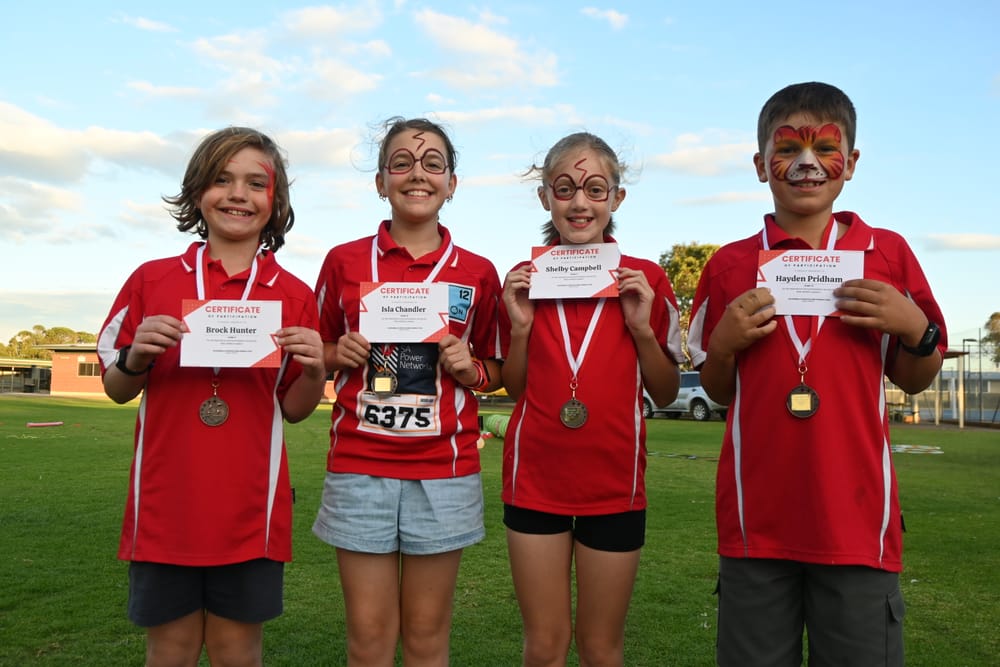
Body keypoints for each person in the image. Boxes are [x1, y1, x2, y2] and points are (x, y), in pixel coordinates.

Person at [687, 82, 947, 666]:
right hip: (757, 523)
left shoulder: (888, 253)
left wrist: (916, 328)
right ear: (761, 165)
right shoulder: (729, 264)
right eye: (788, 149)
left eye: (824, 147)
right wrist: (723, 346)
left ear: (850, 163)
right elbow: (719, 389)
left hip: (857, 523)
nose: (807, 163)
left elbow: (916, 378)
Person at [97, 127, 327, 666]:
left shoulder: (294, 295)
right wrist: (136, 357)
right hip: (166, 507)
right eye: (222, 179)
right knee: (170, 650)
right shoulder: (151, 280)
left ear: (275, 201)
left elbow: (294, 409)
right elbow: (115, 388)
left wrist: (316, 369)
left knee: (237, 651)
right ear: (198, 190)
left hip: (250, 511)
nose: (238, 194)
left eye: (256, 183)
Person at [312, 117, 502, 666]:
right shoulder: (343, 261)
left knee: (425, 636)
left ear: (452, 183)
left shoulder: (478, 272)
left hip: (444, 470)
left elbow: (500, 369)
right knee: (368, 638)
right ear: (380, 181)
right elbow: (316, 347)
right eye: (402, 163)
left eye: (432, 164)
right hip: (360, 465)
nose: (417, 174)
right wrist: (338, 352)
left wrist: (472, 370)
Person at [500, 132, 684, 666]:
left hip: (614, 483)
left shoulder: (646, 279)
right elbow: (515, 387)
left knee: (602, 647)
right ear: (545, 198)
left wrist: (642, 329)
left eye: (595, 190)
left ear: (616, 198)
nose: (579, 203)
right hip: (534, 482)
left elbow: (666, 391)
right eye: (565, 189)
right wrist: (519, 328)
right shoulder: (525, 281)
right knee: (544, 645)